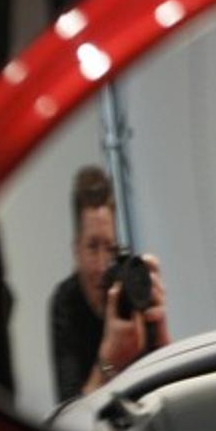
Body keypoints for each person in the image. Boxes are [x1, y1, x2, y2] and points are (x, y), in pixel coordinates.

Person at [49, 165, 171, 402]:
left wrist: (161, 329)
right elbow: (69, 415)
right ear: (76, 250)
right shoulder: (66, 302)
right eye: (93, 247)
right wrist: (108, 360)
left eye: (110, 248)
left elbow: (170, 385)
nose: (103, 265)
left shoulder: (130, 287)